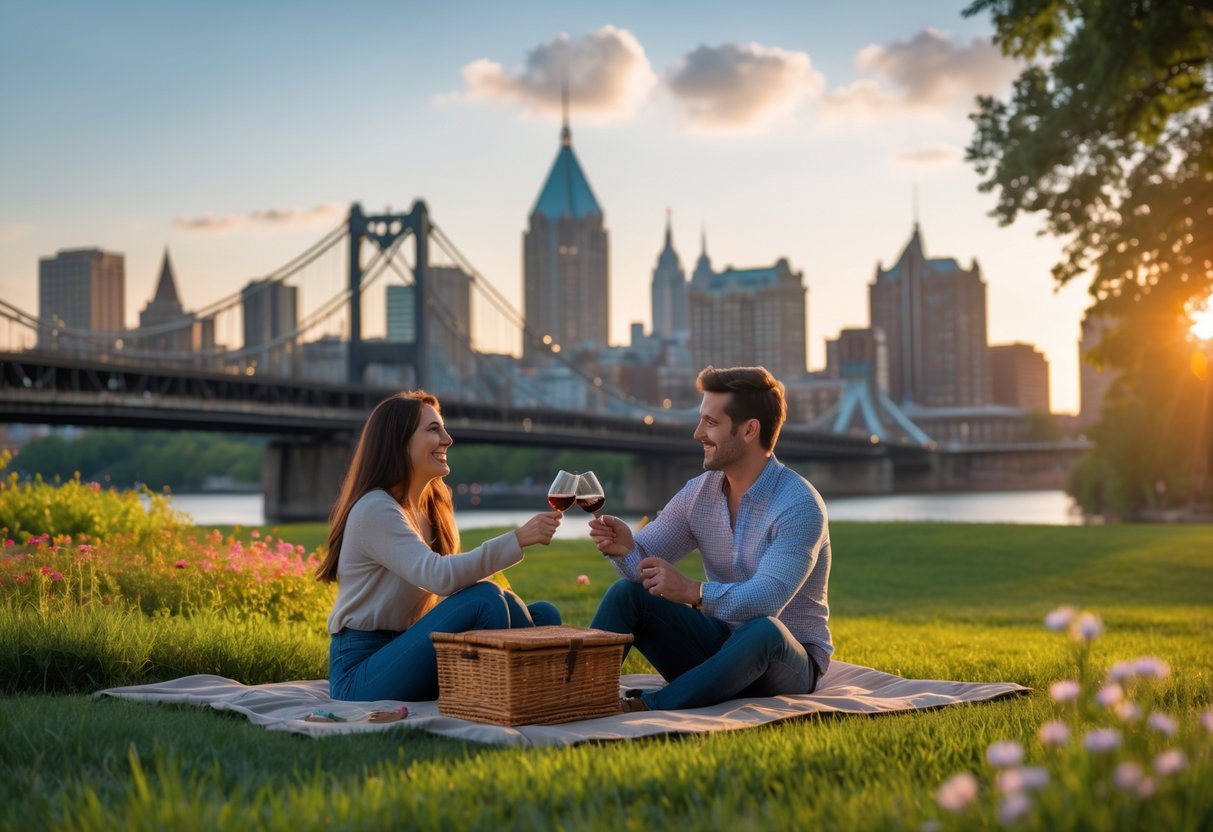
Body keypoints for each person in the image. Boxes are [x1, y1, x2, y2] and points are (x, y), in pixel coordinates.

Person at [589, 365, 832, 711]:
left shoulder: (799, 505)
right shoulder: (698, 494)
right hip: (716, 647)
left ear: (749, 430)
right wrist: (627, 548)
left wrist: (694, 592)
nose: (697, 433)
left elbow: (766, 600)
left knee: (764, 630)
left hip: (785, 663)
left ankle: (648, 705)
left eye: (711, 422)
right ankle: (574, 691)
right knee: (627, 594)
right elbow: (644, 562)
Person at [317, 390, 563, 702]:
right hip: (361, 672)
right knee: (486, 599)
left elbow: (449, 589)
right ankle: (506, 695)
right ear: (399, 441)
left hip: (410, 647)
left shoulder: (432, 507)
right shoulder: (375, 509)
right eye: (434, 430)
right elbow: (439, 577)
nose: (447, 439)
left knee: (543, 616)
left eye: (443, 428)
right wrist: (517, 539)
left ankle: (526, 692)